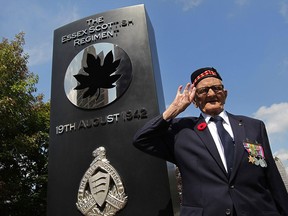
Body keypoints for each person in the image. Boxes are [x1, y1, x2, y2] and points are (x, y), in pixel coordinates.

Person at [133, 67, 288, 216]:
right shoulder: (181, 131)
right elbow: (141, 139)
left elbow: (272, 177)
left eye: (217, 88)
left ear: (225, 94)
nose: (212, 93)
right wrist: (173, 110)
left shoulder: (254, 126)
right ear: (194, 100)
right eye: (203, 91)